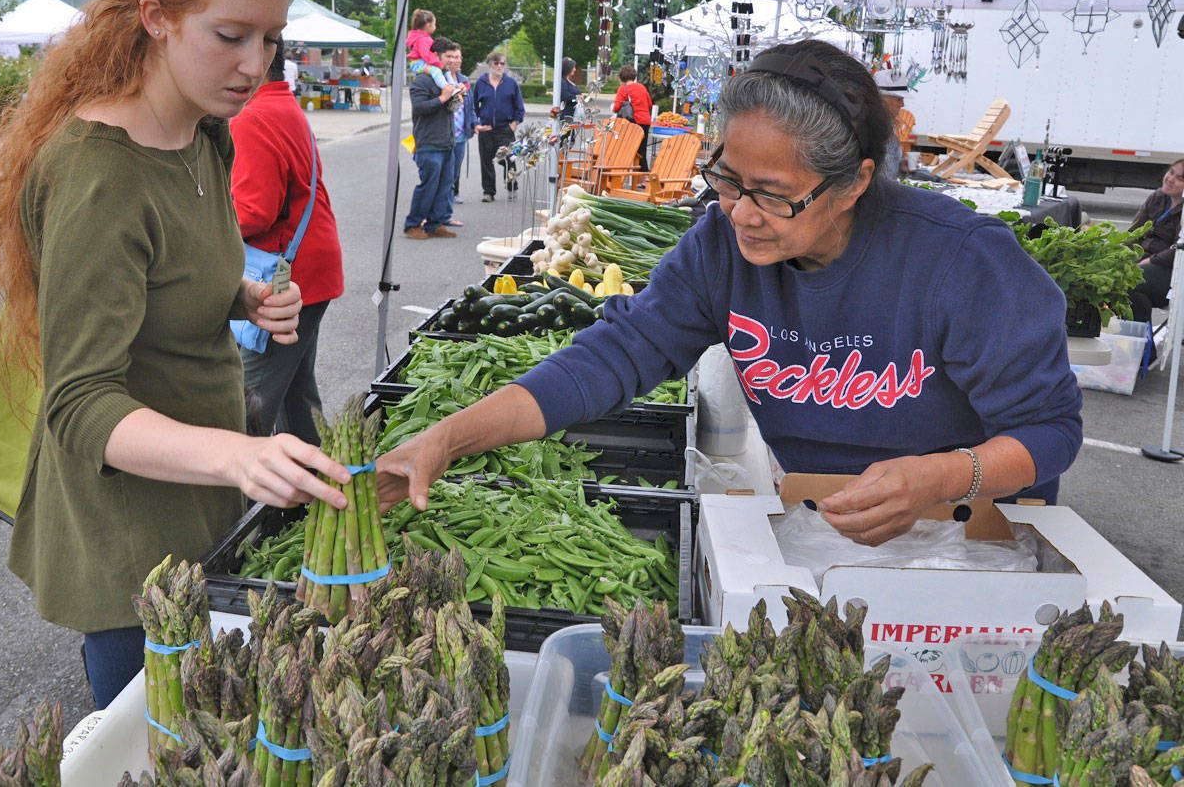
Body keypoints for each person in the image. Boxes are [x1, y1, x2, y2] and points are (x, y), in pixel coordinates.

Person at [376, 39, 1082, 547]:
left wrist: (940, 477)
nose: (741, 212)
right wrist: (445, 439)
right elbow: (610, 357)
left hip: (977, 536)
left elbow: (1049, 431)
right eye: (728, 180)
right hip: (826, 525)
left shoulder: (960, 261)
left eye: (774, 196)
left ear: (855, 183)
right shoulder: (721, 250)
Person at [0, 0, 350, 709]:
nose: (256, 64)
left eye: (271, 39)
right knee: (156, 739)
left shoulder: (210, 130)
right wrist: (241, 456)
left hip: (203, 498)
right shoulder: (99, 175)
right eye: (231, 36)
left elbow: (168, 282)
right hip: (129, 537)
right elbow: (80, 403)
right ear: (155, 17)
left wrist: (243, 296)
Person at [230, 35, 344, 443]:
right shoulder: (283, 104)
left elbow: (253, 210)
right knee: (297, 393)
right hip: (309, 267)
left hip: (287, 275)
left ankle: (241, 498)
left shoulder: (252, 117)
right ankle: (316, 485)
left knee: (250, 400)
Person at [403, 35, 460, 240]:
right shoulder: (422, 81)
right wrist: (443, 97)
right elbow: (420, 108)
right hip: (428, 143)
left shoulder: (446, 80)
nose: (452, 61)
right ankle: (413, 225)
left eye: (455, 56)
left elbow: (450, 110)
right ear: (435, 56)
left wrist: (455, 97)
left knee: (445, 186)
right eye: (448, 56)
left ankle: (436, 223)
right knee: (428, 185)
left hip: (446, 142)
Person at [1127, 159, 1184, 323]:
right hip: (1143, 261)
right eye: (1171, 172)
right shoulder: (1157, 197)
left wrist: (1148, 261)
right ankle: (1138, 340)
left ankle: (1142, 343)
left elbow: (1177, 250)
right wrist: (1119, 254)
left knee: (1131, 283)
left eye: (1179, 178)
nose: (1170, 179)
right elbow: (1133, 233)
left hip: (1171, 269)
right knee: (1113, 278)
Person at [472, 51, 525, 202]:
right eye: (496, 63)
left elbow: (519, 107)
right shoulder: (481, 83)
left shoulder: (511, 83)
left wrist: (514, 123)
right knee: (486, 161)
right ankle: (488, 192)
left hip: (505, 130)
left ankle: (511, 186)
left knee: (510, 159)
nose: (500, 66)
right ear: (489, 64)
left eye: (502, 63)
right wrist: (476, 124)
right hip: (486, 129)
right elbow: (473, 107)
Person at [444, 41, 476, 214]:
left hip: (461, 134)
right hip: (444, 134)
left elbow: (469, 106)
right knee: (445, 172)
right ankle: (444, 205)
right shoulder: (440, 79)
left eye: (458, 57)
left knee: (455, 170)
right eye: (452, 57)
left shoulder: (464, 81)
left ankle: (451, 197)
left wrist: (474, 123)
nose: (456, 60)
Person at [612, 63, 653, 171]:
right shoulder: (642, 87)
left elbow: (616, 107)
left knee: (626, 148)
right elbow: (649, 104)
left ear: (622, 77)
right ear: (634, 76)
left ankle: (622, 172)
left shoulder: (623, 88)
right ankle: (642, 176)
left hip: (632, 122)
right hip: (645, 121)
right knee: (642, 150)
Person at [873, 66, 912, 176]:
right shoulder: (870, 130)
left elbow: (889, 168)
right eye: (899, 99)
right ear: (882, 99)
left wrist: (900, 165)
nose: (902, 104)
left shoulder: (888, 129)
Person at [553, 56, 583, 121]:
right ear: (567, 68)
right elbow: (565, 96)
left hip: (574, 115)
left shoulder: (570, 81)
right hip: (566, 116)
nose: (575, 69)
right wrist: (576, 98)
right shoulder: (562, 81)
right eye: (573, 67)